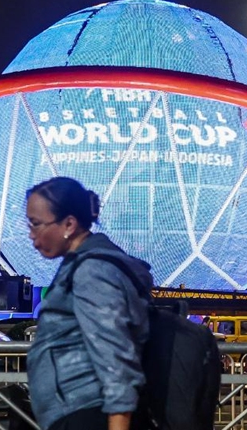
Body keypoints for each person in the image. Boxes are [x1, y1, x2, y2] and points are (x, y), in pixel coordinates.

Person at [25, 177, 153, 430]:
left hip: (89, 414)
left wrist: (118, 422)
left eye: (36, 224)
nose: (31, 235)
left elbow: (115, 352)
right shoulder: (86, 265)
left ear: (69, 224)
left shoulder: (92, 271)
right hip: (81, 411)